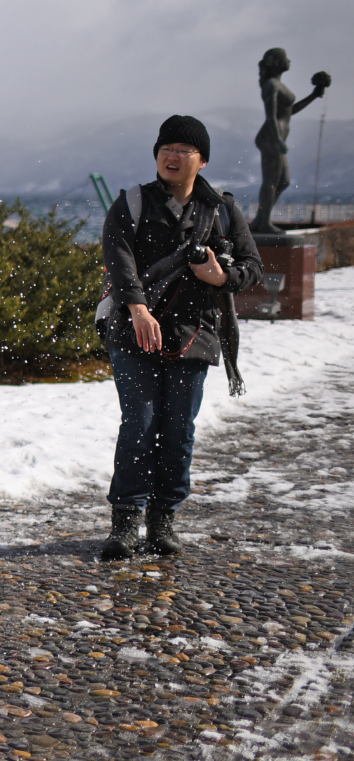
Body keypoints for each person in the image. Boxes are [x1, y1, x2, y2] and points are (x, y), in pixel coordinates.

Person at [97, 115, 262, 561]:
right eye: (166, 148)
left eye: (184, 150)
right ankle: (126, 522)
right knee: (140, 424)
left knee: (178, 430)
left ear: (202, 160)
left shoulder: (222, 209)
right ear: (156, 155)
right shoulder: (132, 202)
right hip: (134, 332)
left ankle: (164, 519)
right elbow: (118, 257)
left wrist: (219, 274)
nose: (173, 155)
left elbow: (252, 267)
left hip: (196, 334)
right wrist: (137, 308)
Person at [250, 48, 331, 233]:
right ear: (277, 62)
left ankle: (261, 219)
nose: (289, 61)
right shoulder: (271, 85)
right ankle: (262, 223)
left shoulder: (278, 85)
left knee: (284, 181)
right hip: (271, 137)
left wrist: (313, 95)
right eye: (285, 58)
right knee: (271, 181)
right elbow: (270, 116)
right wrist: (277, 139)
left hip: (276, 137)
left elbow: (289, 112)